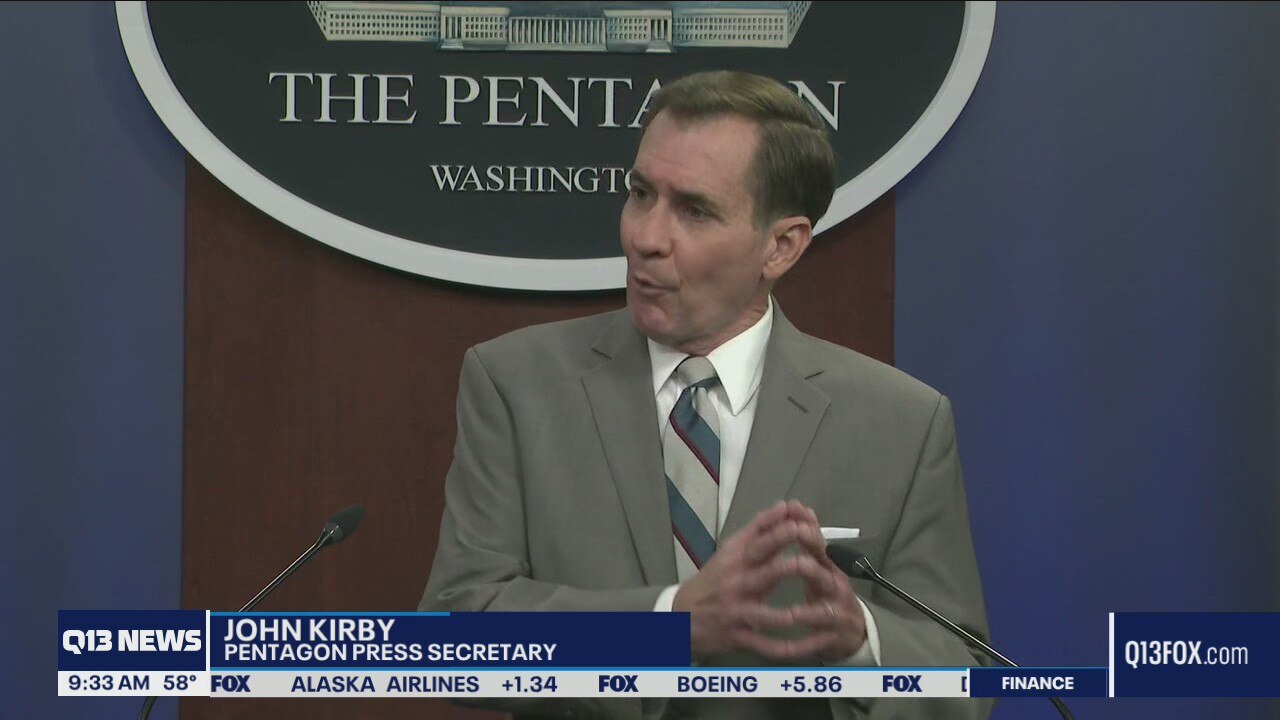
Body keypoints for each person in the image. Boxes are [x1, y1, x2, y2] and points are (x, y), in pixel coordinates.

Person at [421, 70, 992, 720]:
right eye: (641, 194)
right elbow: (453, 637)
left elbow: (967, 682)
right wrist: (670, 625)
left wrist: (861, 643)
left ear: (781, 246)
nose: (645, 238)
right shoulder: (517, 384)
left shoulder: (899, 422)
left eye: (694, 210)